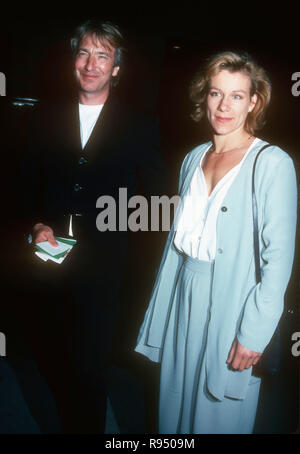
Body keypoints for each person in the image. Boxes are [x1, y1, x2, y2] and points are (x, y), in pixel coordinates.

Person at [135, 51, 298, 434]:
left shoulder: (272, 163)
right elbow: (176, 247)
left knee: (217, 416)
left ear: (254, 101)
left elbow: (279, 261)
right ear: (203, 97)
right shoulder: (193, 158)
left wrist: (254, 332)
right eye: (215, 93)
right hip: (182, 297)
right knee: (174, 408)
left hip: (233, 303)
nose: (224, 106)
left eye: (237, 95)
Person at [19, 19, 165, 433]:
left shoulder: (140, 125)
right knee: (52, 360)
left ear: (116, 68)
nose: (92, 64)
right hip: (46, 263)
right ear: (72, 60)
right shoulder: (42, 117)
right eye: (84, 52)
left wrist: (117, 238)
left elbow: (153, 201)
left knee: (90, 369)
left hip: (105, 271)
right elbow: (24, 184)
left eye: (103, 56)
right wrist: (36, 225)